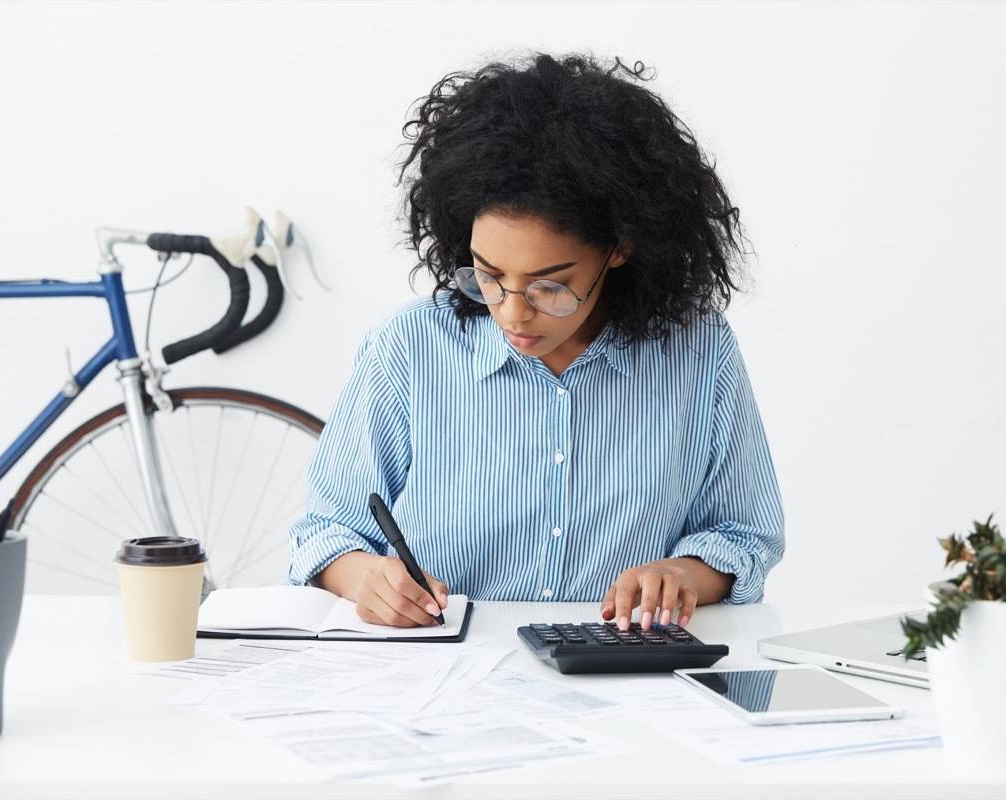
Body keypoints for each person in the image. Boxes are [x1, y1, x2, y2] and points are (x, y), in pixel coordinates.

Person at [288, 52, 784, 632]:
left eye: (551, 285)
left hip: (624, 676)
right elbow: (324, 534)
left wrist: (682, 575)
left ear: (620, 247)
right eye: (489, 276)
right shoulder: (410, 349)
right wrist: (365, 578)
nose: (513, 312)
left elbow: (745, 536)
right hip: (441, 676)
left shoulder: (697, 351)